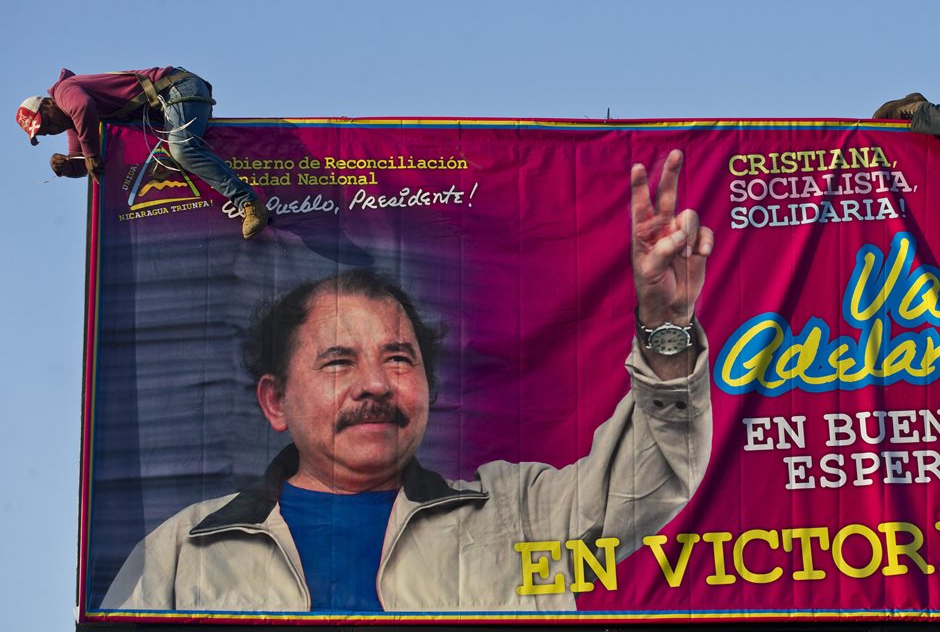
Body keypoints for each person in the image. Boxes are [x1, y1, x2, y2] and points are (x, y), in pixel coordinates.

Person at [101, 149, 715, 613]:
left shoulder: (520, 515)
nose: (375, 384)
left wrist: (665, 323)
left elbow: (659, 472)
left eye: (399, 359)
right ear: (275, 401)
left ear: (428, 387)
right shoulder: (182, 553)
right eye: (338, 361)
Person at [15, 67, 269, 238]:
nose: (52, 130)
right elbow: (84, 163)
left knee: (181, 151)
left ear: (48, 104)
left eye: (46, 123)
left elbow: (83, 107)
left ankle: (249, 202)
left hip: (177, 88)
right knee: (178, 155)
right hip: (174, 99)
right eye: (46, 133)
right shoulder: (75, 123)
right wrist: (66, 167)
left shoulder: (64, 92)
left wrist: (90, 153)